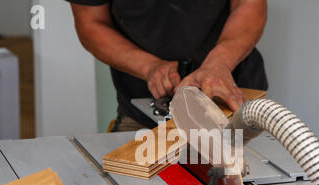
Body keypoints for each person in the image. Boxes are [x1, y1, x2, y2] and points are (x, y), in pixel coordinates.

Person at [67, 0, 268, 131]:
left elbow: (249, 5)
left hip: (231, 104)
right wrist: (149, 67)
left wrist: (219, 64)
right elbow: (91, 23)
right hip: (144, 111)